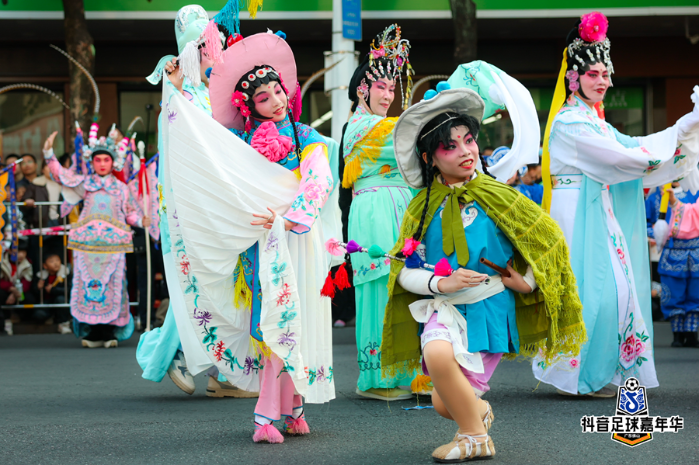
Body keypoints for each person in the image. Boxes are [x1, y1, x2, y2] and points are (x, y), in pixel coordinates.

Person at [383, 85, 584, 462]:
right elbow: (404, 271)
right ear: (429, 158)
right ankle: (476, 426)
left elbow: (546, 241)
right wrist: (441, 282)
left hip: (488, 306)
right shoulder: (420, 208)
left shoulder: (500, 196)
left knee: (446, 398)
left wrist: (527, 282)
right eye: (450, 146)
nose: (465, 151)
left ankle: (473, 436)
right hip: (444, 304)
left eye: (469, 140)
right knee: (443, 388)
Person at [161, 29, 338, 443]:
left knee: (302, 321)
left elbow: (319, 178)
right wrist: (177, 92)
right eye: (264, 98)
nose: (276, 101)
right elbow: (206, 151)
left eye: (278, 92)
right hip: (263, 243)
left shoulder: (305, 135)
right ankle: (263, 418)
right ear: (248, 106)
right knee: (277, 320)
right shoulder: (238, 142)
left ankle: (294, 409)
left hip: (299, 237)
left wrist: (293, 216)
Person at [534, 12, 699, 396]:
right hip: (575, 213)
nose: (604, 81)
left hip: (598, 208)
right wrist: (678, 135)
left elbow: (626, 146)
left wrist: (683, 130)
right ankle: (574, 374)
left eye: (606, 74)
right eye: (594, 74)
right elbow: (623, 159)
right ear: (573, 78)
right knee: (591, 291)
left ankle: (602, 370)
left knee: (618, 289)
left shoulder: (593, 121)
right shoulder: (570, 122)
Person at [136, 4, 254, 399]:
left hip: (217, 204)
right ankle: (174, 355)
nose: (213, 57)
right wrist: (176, 87)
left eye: (213, 49)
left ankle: (221, 370)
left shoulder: (209, 94)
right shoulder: (180, 97)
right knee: (200, 285)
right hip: (191, 206)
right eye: (205, 50)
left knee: (218, 286)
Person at [340, 24, 418, 401]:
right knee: (378, 288)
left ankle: (405, 370)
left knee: (406, 287)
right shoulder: (360, 128)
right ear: (362, 90)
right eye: (381, 88)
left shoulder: (390, 125)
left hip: (400, 207)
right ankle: (377, 377)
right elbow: (405, 139)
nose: (388, 95)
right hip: (373, 209)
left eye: (392, 88)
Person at [42, 128, 149, 348]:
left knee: (113, 284)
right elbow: (60, 174)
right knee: (88, 284)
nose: (102, 164)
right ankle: (92, 332)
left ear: (113, 163)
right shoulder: (85, 184)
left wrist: (141, 220)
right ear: (92, 162)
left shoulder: (121, 188)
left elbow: (129, 212)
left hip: (114, 246)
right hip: (87, 246)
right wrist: (48, 155)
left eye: (106, 160)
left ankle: (109, 332)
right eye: (98, 160)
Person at [660, 186, 699, 347]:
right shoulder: (659, 193)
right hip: (673, 251)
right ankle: (677, 334)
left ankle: (691, 333)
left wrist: (675, 203)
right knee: (674, 295)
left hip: (696, 250)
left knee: (696, 295)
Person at [1, 242, 36, 334]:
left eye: (23, 252)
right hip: (5, 289)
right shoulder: (2, 261)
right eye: (17, 252)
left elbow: (27, 282)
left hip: (19, 291)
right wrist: (11, 289)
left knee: (29, 298)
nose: (21, 255)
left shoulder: (27, 263)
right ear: (9, 251)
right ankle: (6, 320)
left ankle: (22, 318)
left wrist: (15, 293)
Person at [36, 253, 72, 334]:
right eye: (51, 261)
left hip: (60, 300)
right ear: (45, 266)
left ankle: (64, 323)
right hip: (47, 302)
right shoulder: (41, 275)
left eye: (57, 260)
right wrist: (38, 288)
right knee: (39, 314)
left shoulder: (66, 273)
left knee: (61, 299)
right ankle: (51, 318)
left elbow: (70, 290)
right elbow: (35, 294)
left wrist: (53, 290)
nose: (56, 263)